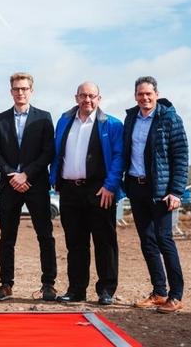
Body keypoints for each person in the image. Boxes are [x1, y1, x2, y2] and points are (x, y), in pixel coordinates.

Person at [49, 82, 123, 305]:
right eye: (83, 96)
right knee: (76, 243)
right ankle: (76, 289)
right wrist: (55, 179)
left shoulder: (112, 124)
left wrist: (110, 185)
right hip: (70, 191)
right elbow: (56, 151)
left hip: (100, 190)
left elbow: (119, 157)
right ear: (76, 97)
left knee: (105, 242)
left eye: (92, 96)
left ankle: (106, 289)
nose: (87, 100)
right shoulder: (64, 121)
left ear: (99, 98)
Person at [122, 76, 189, 314]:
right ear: (135, 96)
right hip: (136, 186)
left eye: (148, 93)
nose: (145, 98)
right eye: (140, 94)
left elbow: (181, 157)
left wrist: (176, 191)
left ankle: (176, 295)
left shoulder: (170, 119)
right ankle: (159, 292)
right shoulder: (130, 118)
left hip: (160, 190)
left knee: (164, 240)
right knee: (147, 241)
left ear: (157, 94)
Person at [0, 72, 57, 302]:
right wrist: (12, 174)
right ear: (11, 92)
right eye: (16, 89)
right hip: (9, 186)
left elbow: (48, 152)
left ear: (31, 91)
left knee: (45, 235)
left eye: (24, 89)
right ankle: (6, 284)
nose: (20, 93)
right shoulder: (0, 120)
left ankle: (48, 284)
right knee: (7, 237)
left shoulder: (44, 118)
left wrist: (26, 174)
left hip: (35, 184)